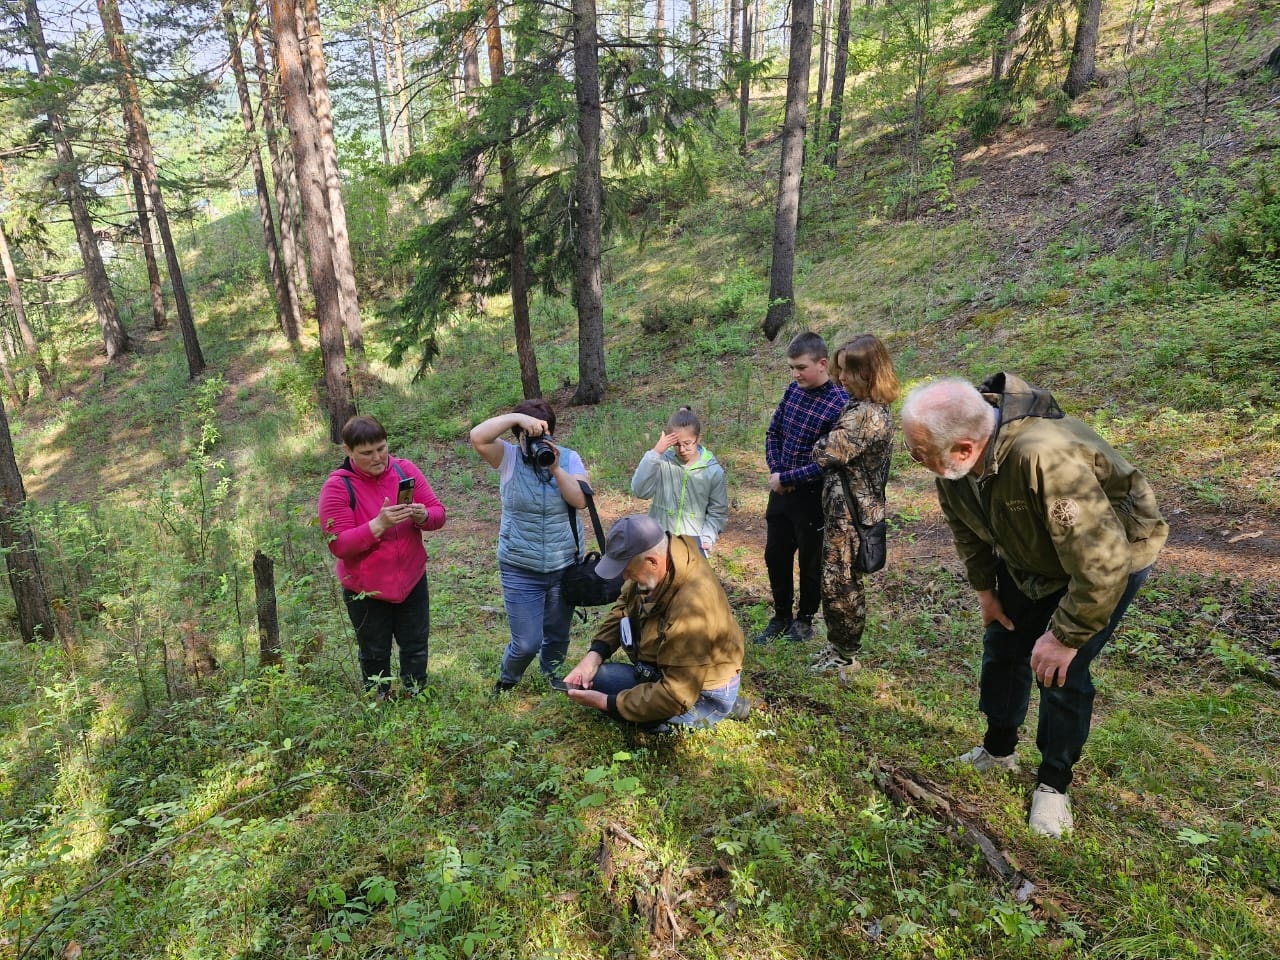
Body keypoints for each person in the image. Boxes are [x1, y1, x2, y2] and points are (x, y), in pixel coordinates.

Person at [900, 374, 1168, 839]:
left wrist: (1066, 636)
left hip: (1107, 560)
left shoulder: (1044, 458)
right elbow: (966, 529)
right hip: (1032, 555)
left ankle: (1053, 784)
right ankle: (998, 749)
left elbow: (1102, 563)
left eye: (919, 453)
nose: (914, 461)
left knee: (1060, 671)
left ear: (964, 448)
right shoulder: (955, 466)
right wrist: (986, 590)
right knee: (1004, 644)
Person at [563, 515, 747, 730]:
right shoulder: (665, 561)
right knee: (599, 678)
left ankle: (712, 710)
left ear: (652, 561)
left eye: (628, 571)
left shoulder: (693, 609)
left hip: (699, 692)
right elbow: (623, 607)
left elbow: (676, 695)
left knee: (605, 691)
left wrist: (608, 704)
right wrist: (593, 657)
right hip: (670, 671)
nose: (625, 577)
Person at [318, 415, 447, 697]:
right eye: (367, 453)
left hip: (412, 580)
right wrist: (378, 525)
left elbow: (438, 513)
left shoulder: (404, 471)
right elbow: (338, 544)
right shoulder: (338, 487)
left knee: (415, 644)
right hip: (366, 590)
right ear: (348, 451)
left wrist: (423, 515)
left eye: (381, 448)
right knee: (374, 650)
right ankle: (380, 700)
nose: (377, 457)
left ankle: (416, 693)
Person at [470, 399, 589, 694]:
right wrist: (516, 418)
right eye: (530, 435)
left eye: (543, 435)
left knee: (558, 635)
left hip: (564, 565)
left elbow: (581, 500)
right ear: (519, 434)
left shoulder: (570, 458)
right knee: (526, 642)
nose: (537, 442)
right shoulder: (508, 457)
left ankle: (553, 678)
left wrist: (557, 468)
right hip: (520, 567)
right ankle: (508, 680)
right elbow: (478, 436)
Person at [809, 335, 900, 678]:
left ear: (868, 372)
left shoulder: (866, 415)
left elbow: (828, 452)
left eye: (848, 371)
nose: (840, 378)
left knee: (841, 584)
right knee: (835, 581)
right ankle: (839, 646)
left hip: (852, 516)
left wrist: (819, 444)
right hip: (844, 511)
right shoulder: (860, 407)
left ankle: (846, 654)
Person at [756, 331, 849, 644]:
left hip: (812, 496)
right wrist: (777, 472)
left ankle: (805, 618)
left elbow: (830, 461)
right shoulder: (793, 392)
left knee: (811, 561)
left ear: (822, 364)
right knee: (776, 555)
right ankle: (781, 614)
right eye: (791, 368)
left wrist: (790, 479)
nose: (795, 374)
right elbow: (774, 433)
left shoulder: (840, 404)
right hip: (780, 489)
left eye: (801, 367)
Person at [629, 406, 729, 556]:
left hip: (692, 546)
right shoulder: (661, 462)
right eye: (676, 444)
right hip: (659, 543)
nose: (682, 449)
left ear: (698, 439)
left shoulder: (713, 471)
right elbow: (640, 491)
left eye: (687, 443)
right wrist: (655, 453)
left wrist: (707, 537)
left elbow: (718, 511)